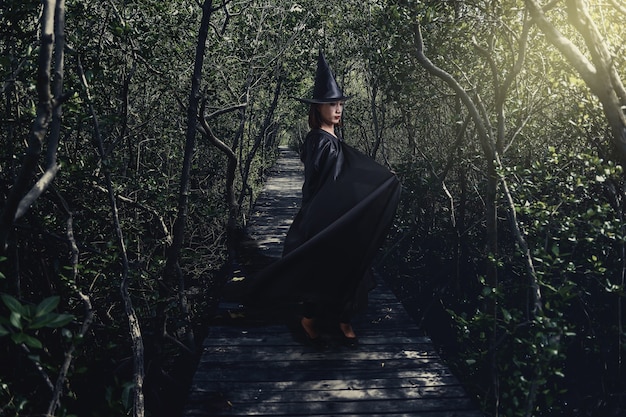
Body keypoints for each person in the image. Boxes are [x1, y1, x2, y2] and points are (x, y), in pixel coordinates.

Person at [243, 51, 401, 345]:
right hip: (321, 214)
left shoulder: (331, 138)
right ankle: (311, 319)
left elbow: (344, 173)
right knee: (324, 266)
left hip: (333, 211)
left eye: (340, 104)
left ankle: (342, 318)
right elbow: (329, 179)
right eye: (332, 105)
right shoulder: (318, 140)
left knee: (348, 264)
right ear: (318, 108)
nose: (338, 109)